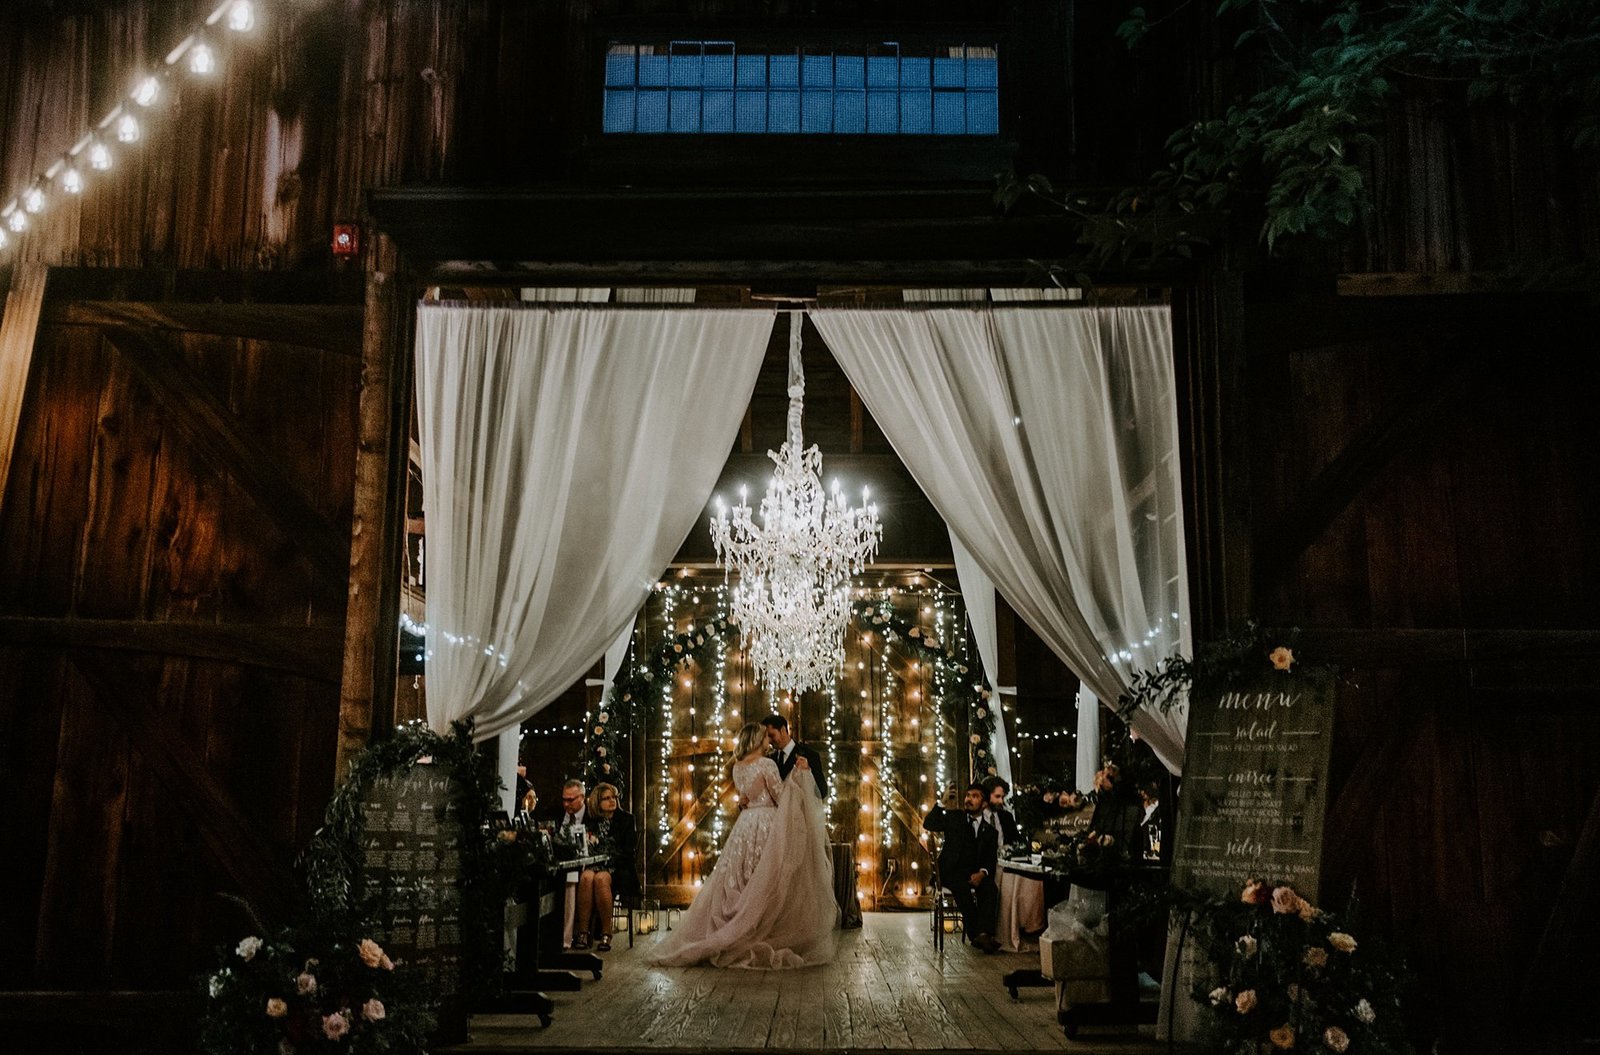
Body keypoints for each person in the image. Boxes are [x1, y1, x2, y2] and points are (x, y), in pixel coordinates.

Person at [647, 722, 837, 969]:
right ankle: (759, 929)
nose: (768, 741)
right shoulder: (767, 764)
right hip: (767, 823)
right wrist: (797, 779)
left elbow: (747, 794)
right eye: (765, 737)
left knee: (741, 876)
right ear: (758, 740)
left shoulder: (737, 767)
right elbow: (780, 797)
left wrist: (748, 800)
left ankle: (739, 925)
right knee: (767, 878)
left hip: (745, 825)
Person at [923, 782, 1002, 953]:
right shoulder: (955, 818)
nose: (969, 799)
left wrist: (982, 873)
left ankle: (984, 933)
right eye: (968, 795)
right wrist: (942, 803)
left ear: (984, 803)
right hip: (951, 872)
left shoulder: (990, 831)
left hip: (974, 874)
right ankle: (978, 935)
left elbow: (990, 859)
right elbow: (929, 824)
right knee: (961, 887)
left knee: (990, 888)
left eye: (975, 796)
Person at [573, 783, 637, 953]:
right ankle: (583, 932)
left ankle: (606, 933)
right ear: (597, 802)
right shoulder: (590, 820)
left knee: (601, 878)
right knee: (586, 877)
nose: (612, 801)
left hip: (617, 868)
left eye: (614, 797)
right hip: (593, 864)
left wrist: (607, 859)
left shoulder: (627, 820)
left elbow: (628, 853)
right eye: (606, 798)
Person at [761, 713, 826, 798]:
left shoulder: (809, 755)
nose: (769, 740)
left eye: (771, 735)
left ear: (783, 730)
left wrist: (807, 772)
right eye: (766, 737)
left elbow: (822, 791)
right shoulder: (769, 759)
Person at [982, 776, 1021, 846]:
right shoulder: (975, 818)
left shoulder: (1007, 817)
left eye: (1002, 797)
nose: (1001, 801)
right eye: (997, 796)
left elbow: (1017, 842)